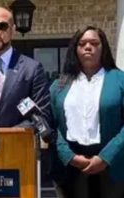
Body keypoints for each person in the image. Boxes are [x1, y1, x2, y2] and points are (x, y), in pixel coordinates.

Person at [50, 25, 124, 198]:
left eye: (94, 43)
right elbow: (52, 126)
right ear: (75, 49)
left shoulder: (120, 80)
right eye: (82, 43)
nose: (88, 47)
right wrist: (68, 156)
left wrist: (106, 157)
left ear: (103, 48)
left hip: (112, 164)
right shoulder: (59, 86)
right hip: (71, 165)